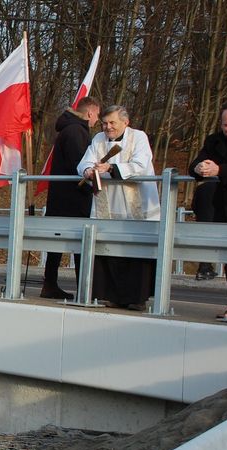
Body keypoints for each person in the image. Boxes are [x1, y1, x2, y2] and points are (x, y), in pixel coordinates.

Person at [77, 105, 159, 311]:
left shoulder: (138, 138)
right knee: (108, 249)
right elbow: (84, 162)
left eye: (112, 122)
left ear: (125, 122)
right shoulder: (98, 140)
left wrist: (112, 168)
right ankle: (110, 295)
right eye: (104, 123)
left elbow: (141, 164)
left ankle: (136, 298)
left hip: (136, 203)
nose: (107, 127)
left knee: (135, 251)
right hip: (108, 203)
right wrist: (88, 170)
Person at [41, 96, 101, 300]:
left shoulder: (71, 129)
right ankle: (82, 288)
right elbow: (78, 164)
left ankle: (51, 284)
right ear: (91, 112)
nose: (97, 120)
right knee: (79, 243)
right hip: (72, 196)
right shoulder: (76, 132)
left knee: (57, 243)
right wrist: (89, 186)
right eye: (98, 115)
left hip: (61, 196)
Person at [189, 102, 227, 318]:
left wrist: (219, 169)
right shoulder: (214, 141)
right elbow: (195, 163)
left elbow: (221, 169)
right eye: (225, 124)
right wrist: (199, 167)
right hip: (223, 207)